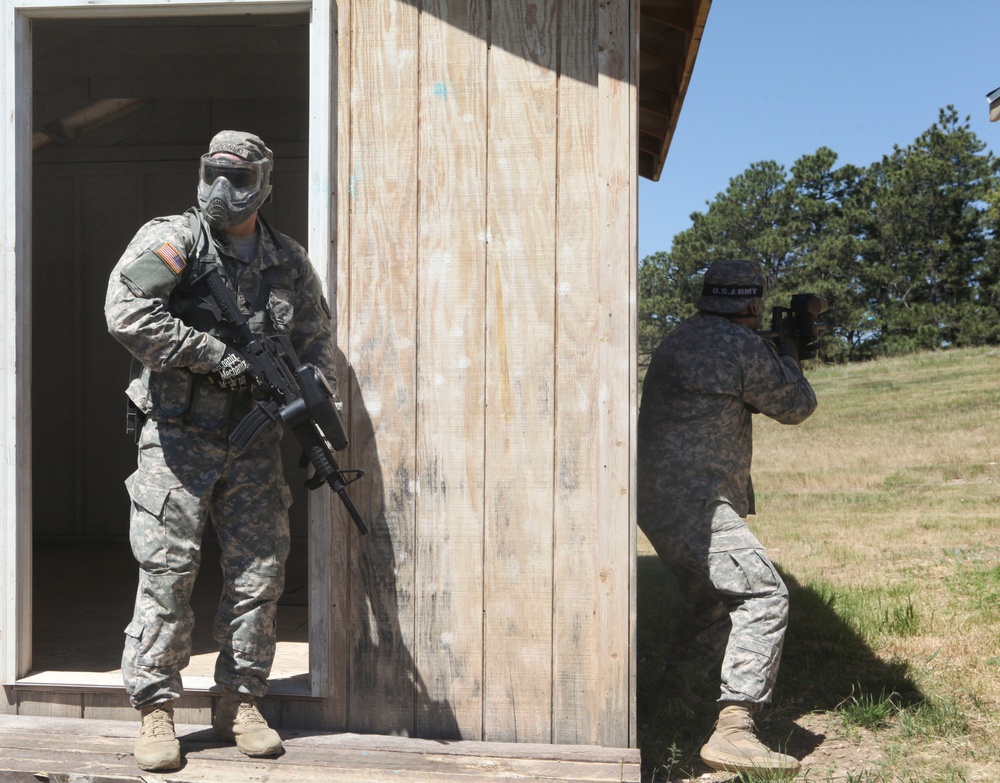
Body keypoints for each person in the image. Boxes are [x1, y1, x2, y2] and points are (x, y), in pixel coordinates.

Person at [105, 130, 339, 772]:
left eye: (238, 180)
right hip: (177, 440)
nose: (220, 190)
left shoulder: (288, 261)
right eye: (212, 173)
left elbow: (318, 342)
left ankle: (241, 702)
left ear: (265, 185)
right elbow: (126, 312)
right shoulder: (175, 241)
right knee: (167, 573)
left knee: (258, 578)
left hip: (255, 444)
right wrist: (215, 358)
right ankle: (155, 709)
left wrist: (315, 400)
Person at [637, 259, 817, 775]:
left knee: (711, 599)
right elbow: (796, 405)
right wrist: (788, 353)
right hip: (696, 502)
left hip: (660, 498)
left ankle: (675, 697)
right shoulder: (738, 346)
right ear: (753, 303)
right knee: (763, 593)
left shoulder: (679, 339)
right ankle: (734, 729)